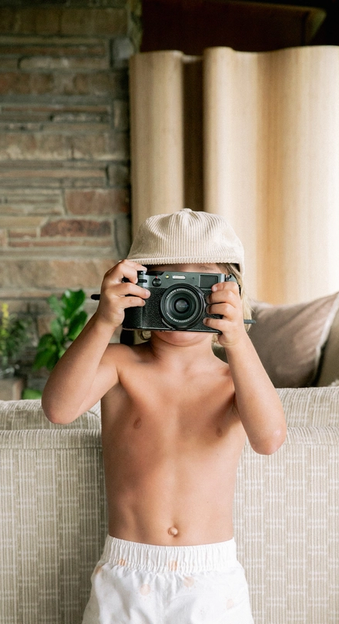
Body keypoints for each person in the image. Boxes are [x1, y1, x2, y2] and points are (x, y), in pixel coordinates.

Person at [42, 208, 286, 624]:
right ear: (136, 287)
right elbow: (59, 409)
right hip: (126, 570)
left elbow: (269, 440)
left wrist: (239, 340)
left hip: (211, 578)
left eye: (199, 283)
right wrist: (103, 321)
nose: (182, 297)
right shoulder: (121, 364)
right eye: (166, 281)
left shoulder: (234, 377)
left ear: (231, 291)